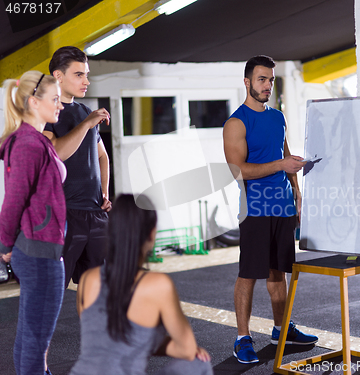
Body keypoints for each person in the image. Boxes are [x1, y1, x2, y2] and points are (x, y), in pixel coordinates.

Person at [223, 55, 318, 364]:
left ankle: (282, 327)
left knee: (278, 271)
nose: (267, 85)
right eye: (262, 79)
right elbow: (239, 170)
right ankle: (243, 337)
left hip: (282, 206)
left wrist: (298, 193)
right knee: (249, 274)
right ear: (248, 82)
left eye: (271, 80)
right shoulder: (236, 122)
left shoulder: (278, 117)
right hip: (255, 209)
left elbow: (285, 153)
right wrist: (280, 165)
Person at [69, 194, 213, 375]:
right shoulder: (158, 285)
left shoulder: (87, 280)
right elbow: (187, 349)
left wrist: (142, 337)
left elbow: (102, 339)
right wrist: (151, 337)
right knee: (198, 364)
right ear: (152, 234)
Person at [0, 71, 66, 375]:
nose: (60, 105)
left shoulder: (34, 140)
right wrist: (5, 245)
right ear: (32, 102)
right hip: (38, 253)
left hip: (38, 250)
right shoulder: (28, 143)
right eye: (55, 99)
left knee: (30, 339)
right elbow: (13, 201)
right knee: (35, 342)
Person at [43, 46, 111, 289]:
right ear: (58, 76)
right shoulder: (47, 111)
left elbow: (102, 156)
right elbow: (56, 153)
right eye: (79, 74)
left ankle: (94, 329)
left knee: (95, 287)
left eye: (86, 74)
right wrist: (87, 123)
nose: (86, 81)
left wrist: (104, 192)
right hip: (64, 214)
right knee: (53, 287)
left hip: (95, 213)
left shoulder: (83, 111)